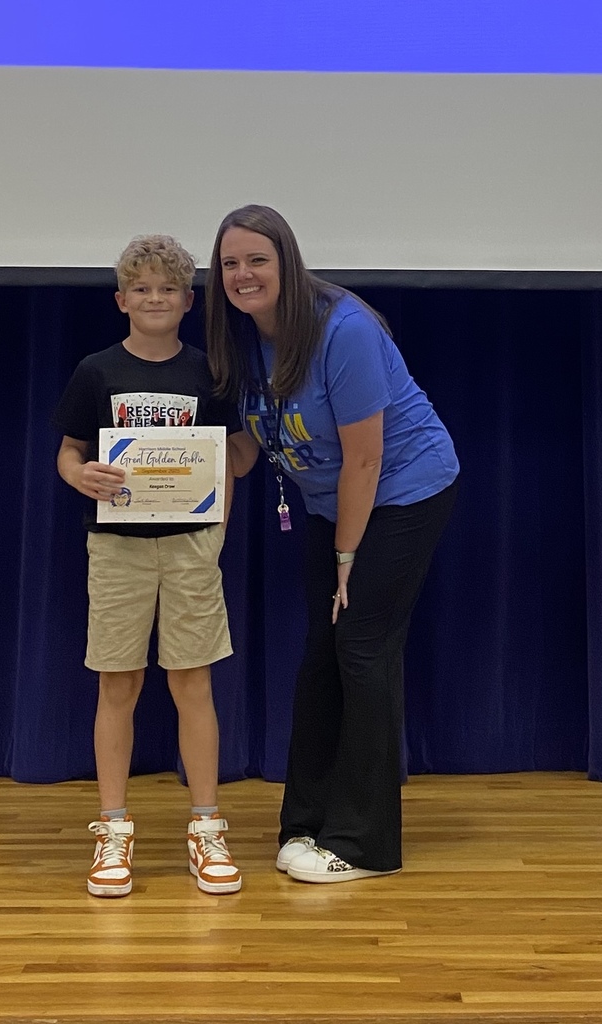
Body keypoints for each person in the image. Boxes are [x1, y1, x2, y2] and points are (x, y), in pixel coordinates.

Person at [205, 205, 459, 884]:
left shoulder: (343, 329)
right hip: (331, 502)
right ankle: (307, 824)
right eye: (230, 263)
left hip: (403, 490)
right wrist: (169, 462)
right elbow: (248, 447)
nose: (243, 274)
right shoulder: (243, 336)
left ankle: (364, 845)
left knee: (363, 649)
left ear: (286, 262)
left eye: (257, 259)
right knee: (323, 651)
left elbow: (366, 459)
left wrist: (347, 559)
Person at [53, 234, 242, 897]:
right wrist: (81, 476)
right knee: (118, 682)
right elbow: (69, 452)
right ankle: (112, 829)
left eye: (167, 289)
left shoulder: (209, 372)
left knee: (193, 681)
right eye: (142, 289)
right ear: (121, 300)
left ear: (188, 301)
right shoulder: (96, 371)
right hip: (117, 547)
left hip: (191, 545)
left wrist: (217, 527)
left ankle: (206, 825)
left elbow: (234, 457)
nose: (154, 298)